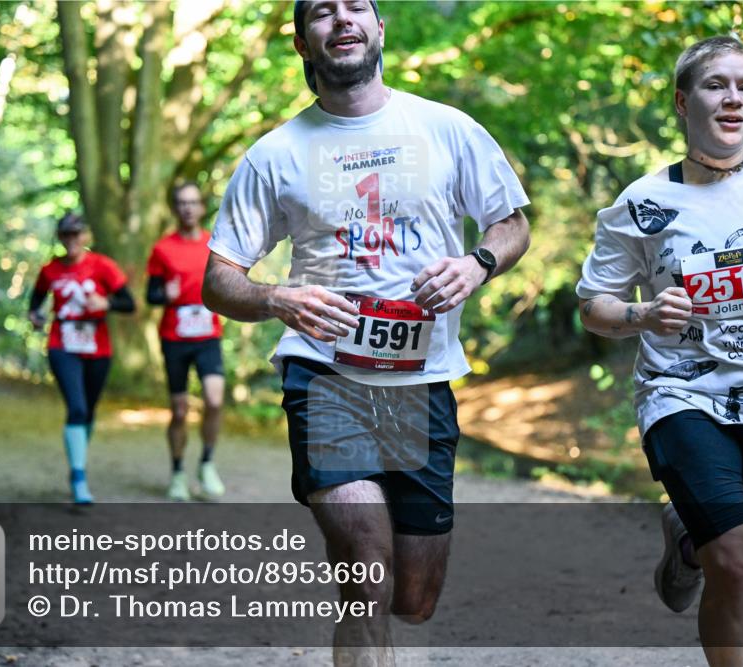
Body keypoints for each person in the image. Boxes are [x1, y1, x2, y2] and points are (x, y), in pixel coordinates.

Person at [202, 1, 530, 663]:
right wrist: (274, 297)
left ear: (381, 28)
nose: (342, 18)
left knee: (413, 595)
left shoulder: (447, 129)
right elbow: (219, 279)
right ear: (302, 41)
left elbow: (512, 224)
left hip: (423, 379)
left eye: (357, 6)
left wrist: (477, 264)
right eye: (323, 11)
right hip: (325, 375)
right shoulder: (275, 155)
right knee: (367, 564)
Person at [577, 36, 743, 667]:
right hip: (681, 396)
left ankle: (686, 540)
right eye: (717, 85)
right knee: (735, 559)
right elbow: (593, 306)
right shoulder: (643, 203)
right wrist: (642, 311)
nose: (734, 99)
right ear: (683, 100)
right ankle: (709, 546)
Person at [29, 212, 136, 504]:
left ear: (85, 236)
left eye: (77, 234)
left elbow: (129, 303)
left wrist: (107, 302)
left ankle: (78, 459)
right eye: (66, 235)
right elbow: (35, 302)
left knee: (88, 410)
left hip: (97, 347)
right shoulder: (50, 269)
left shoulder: (103, 266)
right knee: (76, 408)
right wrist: (36, 317)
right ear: (60, 238)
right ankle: (78, 475)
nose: (72, 240)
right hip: (62, 344)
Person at [146, 182, 226, 501]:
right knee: (179, 411)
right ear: (175, 208)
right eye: (181, 202)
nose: (188, 208)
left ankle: (206, 464)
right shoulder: (162, 249)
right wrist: (164, 295)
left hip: (208, 335)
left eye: (193, 202)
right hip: (174, 337)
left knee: (215, 400)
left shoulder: (215, 244)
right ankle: (178, 473)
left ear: (202, 207)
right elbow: (150, 295)